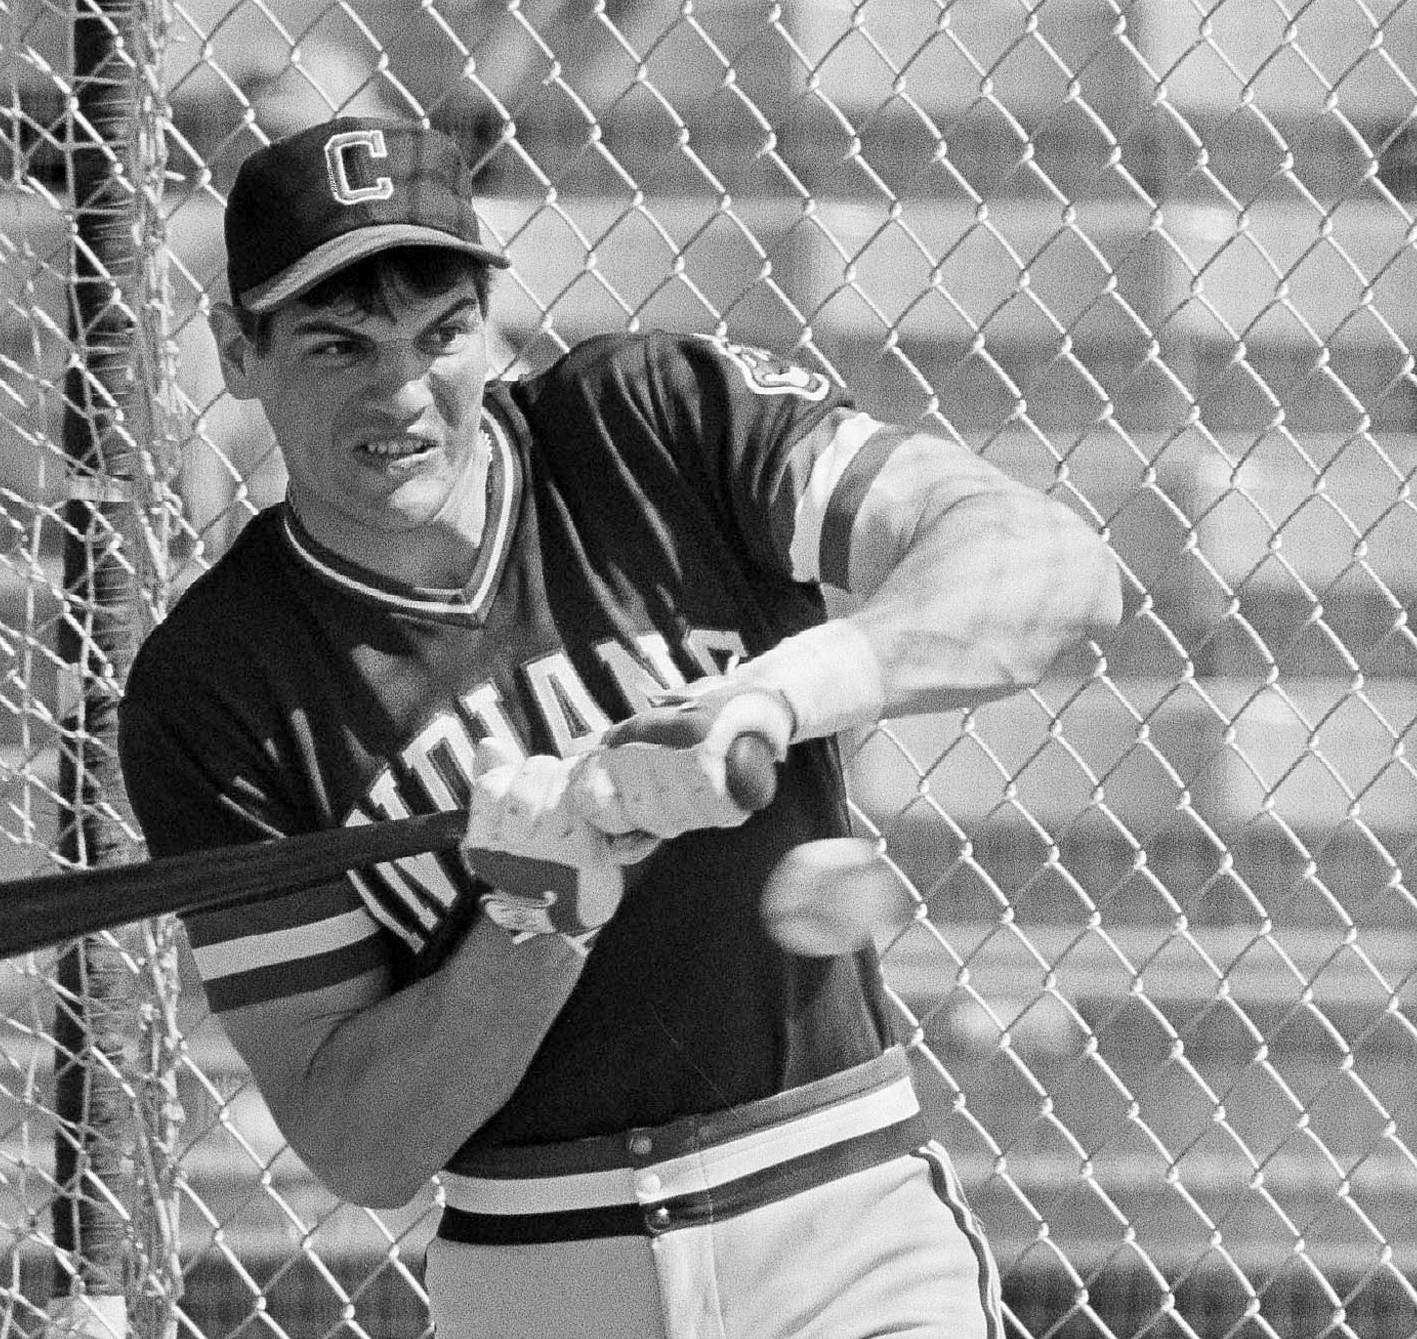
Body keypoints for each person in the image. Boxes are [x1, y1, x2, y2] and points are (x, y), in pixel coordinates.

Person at [118, 116, 1123, 1339]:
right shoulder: (217, 684)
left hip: (838, 1214)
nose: (401, 393)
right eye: (338, 346)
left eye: (440, 334)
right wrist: (532, 923)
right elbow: (357, 1139)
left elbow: (1054, 569)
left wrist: (767, 694)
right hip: (542, 1264)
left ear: (491, 318)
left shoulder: (654, 421)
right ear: (237, 348)